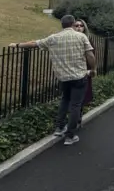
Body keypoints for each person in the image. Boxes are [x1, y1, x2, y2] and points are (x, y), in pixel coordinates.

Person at [9, 15, 96, 146]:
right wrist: (93, 69)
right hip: (79, 77)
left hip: (63, 77)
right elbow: (90, 54)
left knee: (65, 100)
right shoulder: (81, 37)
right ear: (73, 24)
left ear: (62, 24)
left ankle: (59, 127)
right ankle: (70, 136)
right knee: (75, 105)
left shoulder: (53, 38)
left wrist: (16, 45)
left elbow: (34, 44)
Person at [73, 19, 94, 127]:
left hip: (85, 71)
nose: (79, 27)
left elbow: (91, 56)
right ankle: (74, 118)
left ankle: (78, 117)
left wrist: (92, 70)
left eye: (81, 26)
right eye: (76, 25)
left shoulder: (88, 40)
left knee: (82, 95)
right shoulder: (70, 40)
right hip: (72, 70)